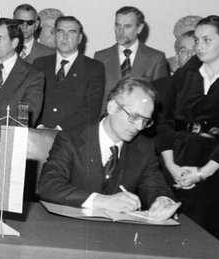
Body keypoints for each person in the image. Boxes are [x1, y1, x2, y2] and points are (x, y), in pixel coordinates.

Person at [155, 15, 219, 249]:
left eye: (207, 40)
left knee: (208, 245)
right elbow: (165, 123)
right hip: (176, 164)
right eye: (197, 40)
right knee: (167, 242)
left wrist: (202, 173)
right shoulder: (183, 76)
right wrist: (171, 166)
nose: (199, 47)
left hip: (216, 170)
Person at [38, 78, 177, 213]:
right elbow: (49, 186)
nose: (139, 127)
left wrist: (162, 200)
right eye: (134, 117)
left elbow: (155, 186)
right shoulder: (71, 139)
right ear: (112, 107)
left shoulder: (144, 147)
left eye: (145, 121)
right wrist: (102, 201)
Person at [34, 16, 105, 131]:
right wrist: (40, 125)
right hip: (39, 132)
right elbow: (32, 101)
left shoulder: (93, 68)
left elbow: (91, 110)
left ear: (80, 38)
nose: (65, 37)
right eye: (60, 32)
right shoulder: (40, 64)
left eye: (71, 33)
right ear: (55, 35)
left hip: (73, 137)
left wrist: (59, 128)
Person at [93, 6, 169, 111]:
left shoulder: (156, 58)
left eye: (127, 26)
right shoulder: (100, 57)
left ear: (139, 28)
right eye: (117, 25)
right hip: (107, 120)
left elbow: (160, 99)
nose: (120, 31)